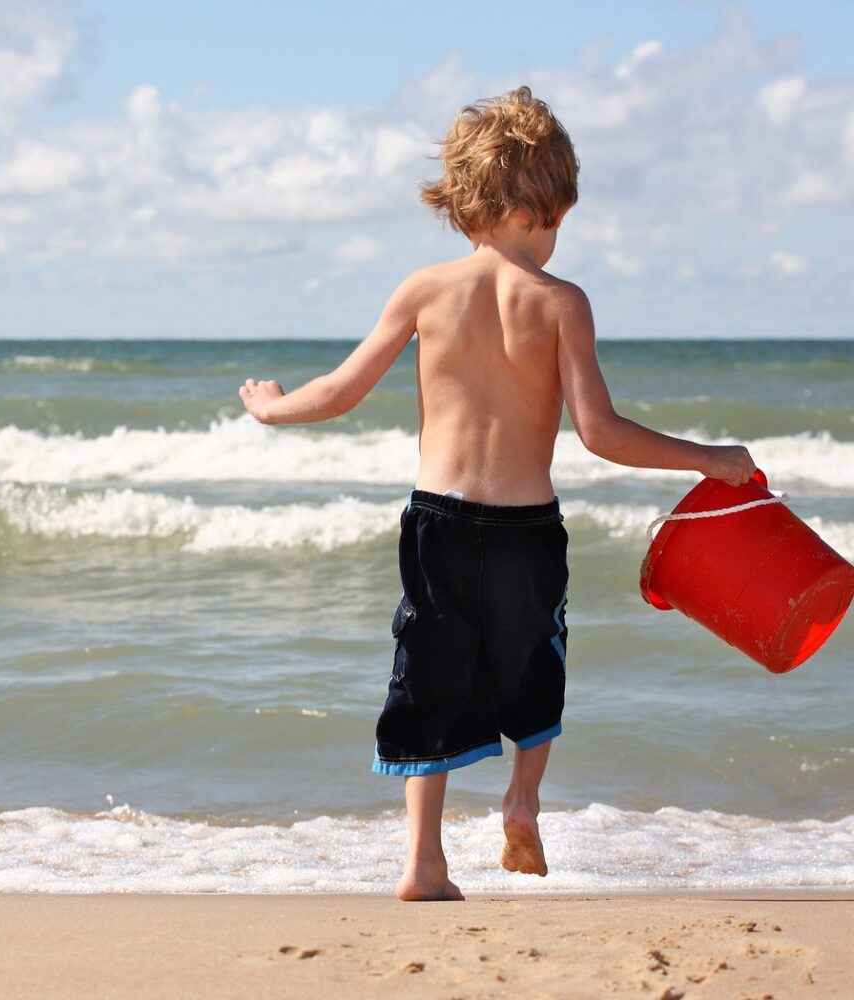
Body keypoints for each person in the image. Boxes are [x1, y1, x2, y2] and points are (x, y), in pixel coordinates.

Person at [237, 85, 755, 902]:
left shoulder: (424, 291)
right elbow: (602, 433)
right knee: (535, 665)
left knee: (428, 672)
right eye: (554, 220)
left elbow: (339, 392)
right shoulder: (561, 304)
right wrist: (706, 458)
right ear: (530, 208)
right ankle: (521, 797)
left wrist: (271, 408)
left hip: (437, 522)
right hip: (525, 527)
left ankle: (422, 864)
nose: (555, 238)